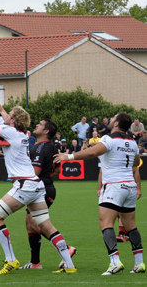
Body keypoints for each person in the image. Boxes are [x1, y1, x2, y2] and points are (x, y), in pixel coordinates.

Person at [0, 89, 76, 274]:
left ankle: (11, 260)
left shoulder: (10, 132)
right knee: (46, 226)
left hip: (25, 185)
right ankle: (69, 266)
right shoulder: (20, 134)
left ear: (13, 121)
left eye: (9, 115)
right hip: (36, 185)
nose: (5, 115)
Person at [56, 112, 144, 274]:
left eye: (112, 119)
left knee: (106, 224)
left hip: (113, 186)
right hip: (129, 186)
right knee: (131, 226)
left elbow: (91, 153)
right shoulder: (132, 142)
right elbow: (137, 162)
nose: (110, 120)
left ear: (116, 124)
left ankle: (115, 262)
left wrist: (68, 156)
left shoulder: (108, 139)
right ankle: (139, 263)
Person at [19, 119, 76, 270]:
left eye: (40, 124)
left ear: (46, 132)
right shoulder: (51, 147)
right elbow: (57, 170)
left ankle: (66, 248)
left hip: (40, 189)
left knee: (34, 223)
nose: (37, 125)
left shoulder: (39, 148)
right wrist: (46, 178)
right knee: (30, 224)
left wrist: (19, 176)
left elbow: (35, 172)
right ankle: (35, 263)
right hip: (46, 187)